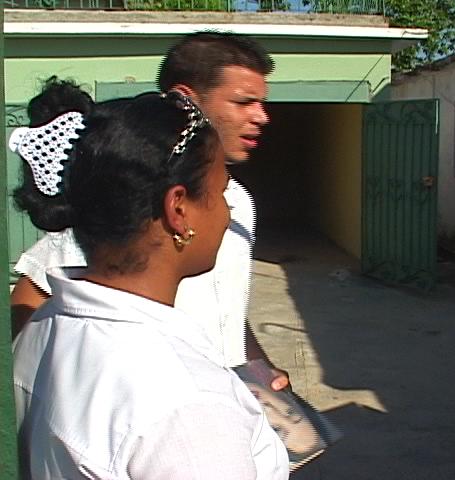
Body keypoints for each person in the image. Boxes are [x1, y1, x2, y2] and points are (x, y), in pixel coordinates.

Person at [12, 88, 289, 478]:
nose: (227, 212)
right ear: (178, 209)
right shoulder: (186, 406)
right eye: (220, 191)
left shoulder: (42, 328)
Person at [10, 33, 289, 391]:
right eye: (243, 102)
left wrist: (260, 366)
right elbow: (30, 297)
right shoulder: (129, 198)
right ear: (186, 100)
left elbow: (228, 308)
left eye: (262, 103)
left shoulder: (239, 202)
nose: (262, 116)